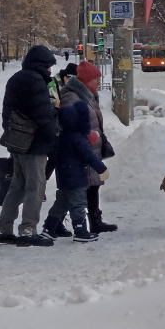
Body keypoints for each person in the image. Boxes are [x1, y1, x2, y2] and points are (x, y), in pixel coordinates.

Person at [0, 45, 61, 247]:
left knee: (17, 186)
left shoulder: (16, 78)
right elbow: (42, 115)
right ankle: (28, 230)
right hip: (34, 144)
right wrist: (54, 134)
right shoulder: (35, 81)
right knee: (35, 187)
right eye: (48, 66)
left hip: (18, 141)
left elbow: (8, 113)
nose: (50, 70)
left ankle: (3, 229)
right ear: (41, 64)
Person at [58, 61, 116, 233]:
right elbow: (67, 121)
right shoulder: (72, 96)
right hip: (80, 148)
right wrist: (86, 135)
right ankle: (57, 223)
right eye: (95, 80)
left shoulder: (89, 95)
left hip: (92, 146)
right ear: (86, 80)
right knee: (76, 188)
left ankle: (95, 221)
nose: (98, 83)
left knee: (93, 185)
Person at [42, 97, 107, 243]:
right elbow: (89, 155)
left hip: (64, 176)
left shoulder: (65, 136)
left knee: (61, 203)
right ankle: (80, 231)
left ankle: (49, 228)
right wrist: (101, 169)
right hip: (76, 177)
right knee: (78, 203)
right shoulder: (78, 138)